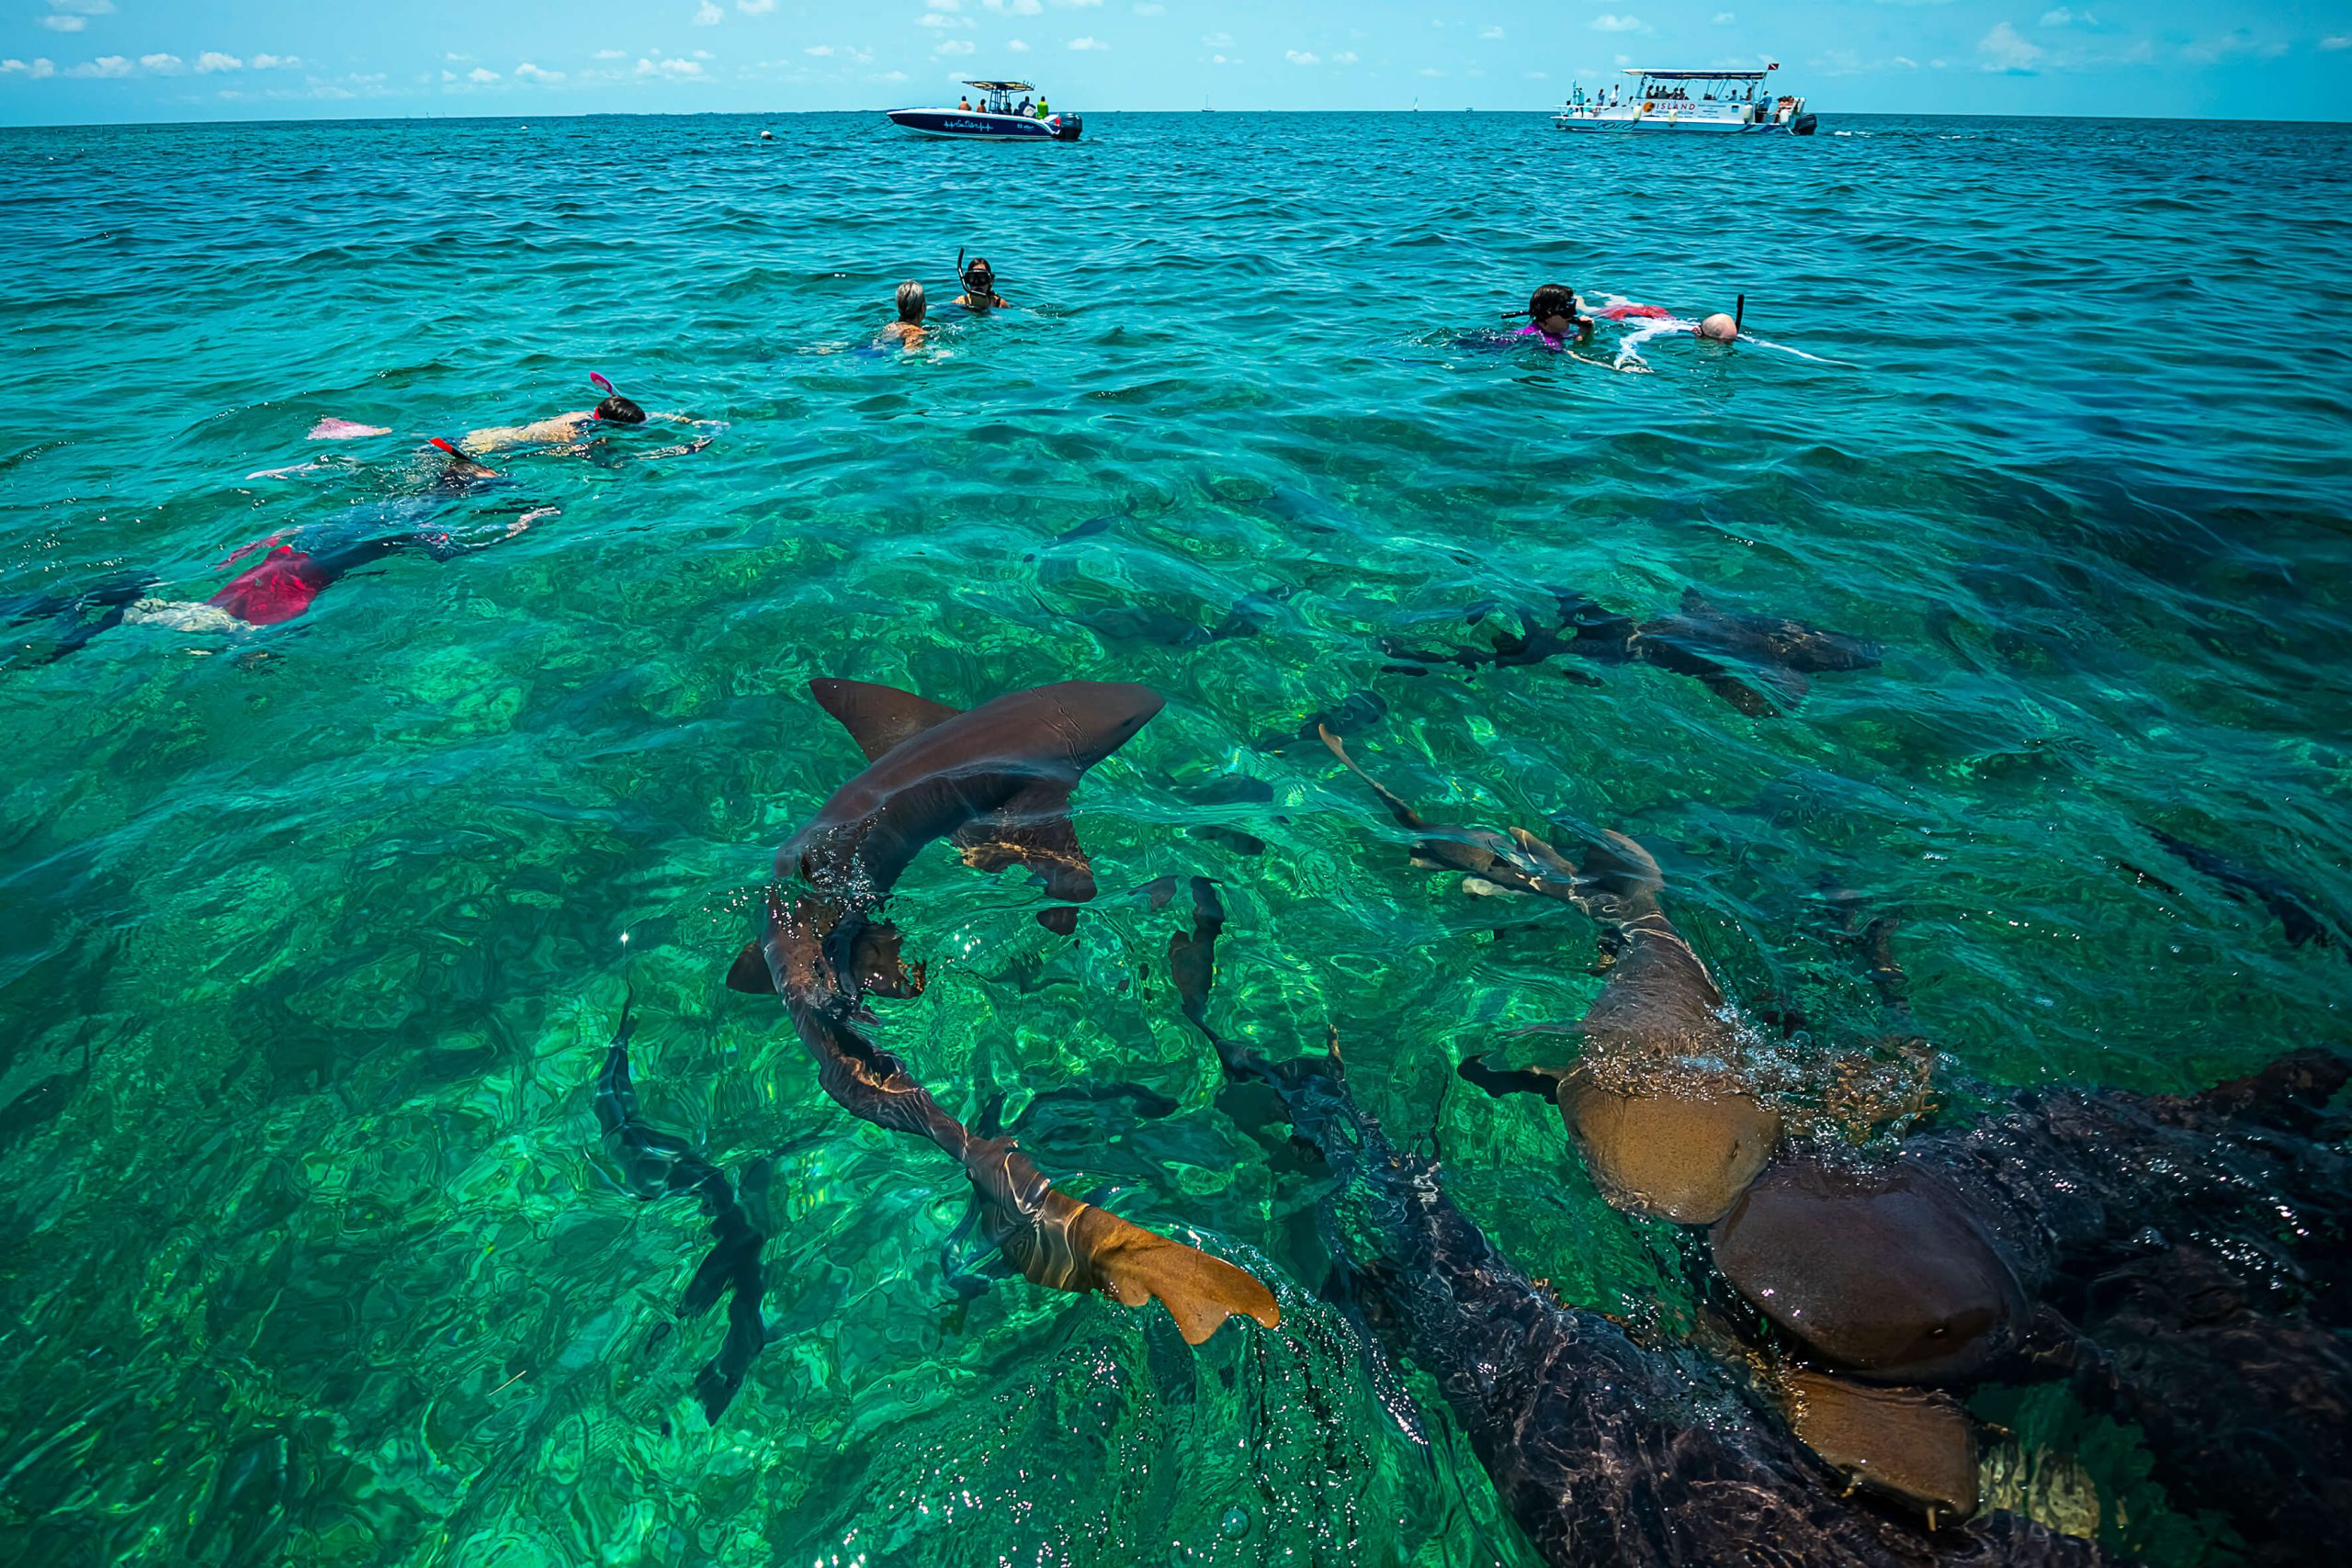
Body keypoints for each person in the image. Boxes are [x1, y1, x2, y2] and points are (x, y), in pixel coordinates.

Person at [461, 382, 648, 455]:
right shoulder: (577, 432)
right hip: (497, 445)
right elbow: (567, 451)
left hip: (492, 434)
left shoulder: (583, 415)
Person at [1516, 283, 1593, 349]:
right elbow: (1576, 358)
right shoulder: (1541, 341)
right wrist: (1581, 336)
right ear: (1548, 313)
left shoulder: (1558, 330)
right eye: (1566, 311)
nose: (1572, 314)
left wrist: (1587, 333)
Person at [881, 280, 928, 350]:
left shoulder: (889, 327)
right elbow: (910, 355)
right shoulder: (915, 334)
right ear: (923, 307)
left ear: (898, 306)